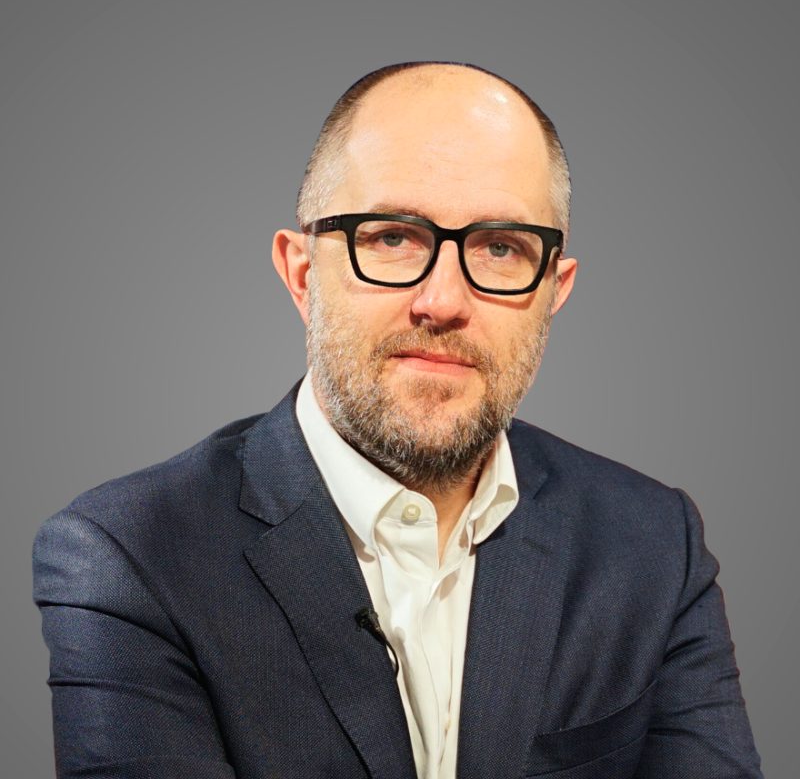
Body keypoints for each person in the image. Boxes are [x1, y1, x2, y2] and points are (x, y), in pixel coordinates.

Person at [33, 62, 763, 779]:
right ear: (301, 274)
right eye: (390, 237)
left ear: (554, 289)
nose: (442, 301)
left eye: (501, 248)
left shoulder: (653, 545)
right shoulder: (129, 556)